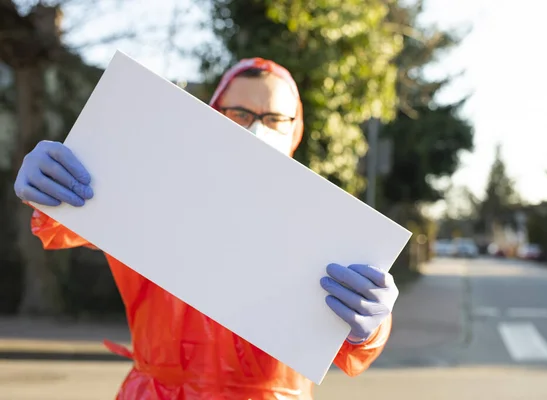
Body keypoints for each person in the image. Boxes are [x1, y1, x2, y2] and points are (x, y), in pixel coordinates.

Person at [13, 57, 399, 399]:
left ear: (295, 129)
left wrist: (371, 325)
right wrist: (51, 190)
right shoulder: (158, 188)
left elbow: (353, 347)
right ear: (215, 114)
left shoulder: (325, 225)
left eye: (275, 118)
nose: (257, 130)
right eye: (241, 114)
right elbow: (71, 219)